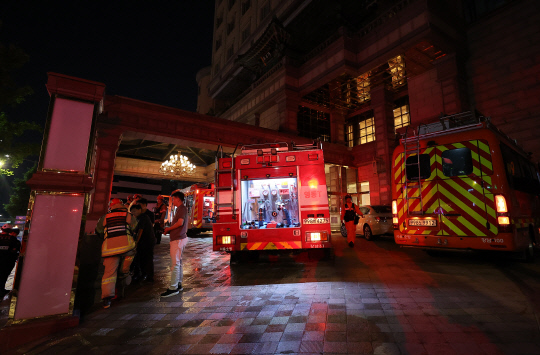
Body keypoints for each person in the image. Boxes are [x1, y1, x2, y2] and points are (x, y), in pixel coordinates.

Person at [96, 198, 137, 308]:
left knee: (109, 274)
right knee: (124, 271)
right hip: (127, 248)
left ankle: (107, 299)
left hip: (110, 250)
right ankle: (122, 291)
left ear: (111, 207)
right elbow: (135, 227)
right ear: (121, 205)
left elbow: (99, 231)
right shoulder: (128, 215)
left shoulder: (104, 217)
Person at [160, 190, 188, 298]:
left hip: (178, 239)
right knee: (178, 263)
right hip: (180, 238)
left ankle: (173, 288)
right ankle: (178, 284)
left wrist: (168, 229)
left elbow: (180, 222)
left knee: (175, 264)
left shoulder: (181, 209)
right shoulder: (181, 209)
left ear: (178, 199)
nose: (172, 201)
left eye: (173, 199)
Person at [129, 204, 156, 282]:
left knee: (147, 259)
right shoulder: (139, 217)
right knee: (142, 259)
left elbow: (140, 230)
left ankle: (149, 277)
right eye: (131, 212)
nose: (133, 213)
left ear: (139, 209)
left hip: (147, 241)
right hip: (145, 241)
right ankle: (144, 275)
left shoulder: (143, 217)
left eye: (134, 211)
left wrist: (136, 242)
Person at [0, 224, 21, 299]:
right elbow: (17, 251)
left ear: (2, 229)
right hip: (7, 262)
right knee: (3, 276)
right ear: (10, 231)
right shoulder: (14, 240)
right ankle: (1, 290)